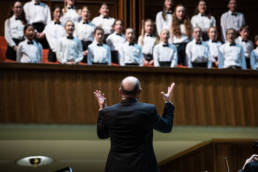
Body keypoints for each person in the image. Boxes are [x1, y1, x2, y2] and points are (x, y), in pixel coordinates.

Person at [94, 76, 175, 172]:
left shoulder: (109, 112)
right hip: (144, 166)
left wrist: (102, 109)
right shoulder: (148, 110)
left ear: (120, 91)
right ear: (139, 91)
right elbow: (166, 127)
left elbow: (102, 134)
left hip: (116, 167)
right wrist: (168, 102)